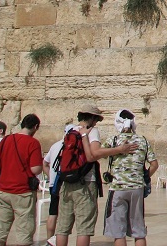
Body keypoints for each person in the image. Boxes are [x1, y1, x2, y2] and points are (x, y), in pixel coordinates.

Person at [55, 105, 138, 246]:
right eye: (96, 119)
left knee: (63, 226)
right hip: (85, 183)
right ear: (91, 118)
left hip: (67, 182)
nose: (96, 123)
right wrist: (119, 149)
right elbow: (93, 154)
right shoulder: (91, 132)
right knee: (84, 228)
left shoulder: (70, 131)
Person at [97, 110, 158, 246]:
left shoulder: (114, 140)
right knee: (138, 231)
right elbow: (154, 164)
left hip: (118, 187)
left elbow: (99, 153)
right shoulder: (143, 140)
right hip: (137, 188)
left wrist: (118, 150)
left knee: (118, 233)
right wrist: (144, 177)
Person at [0, 113, 42, 246]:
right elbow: (35, 169)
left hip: (3, 190)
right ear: (35, 126)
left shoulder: (6, 140)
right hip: (23, 192)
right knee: (24, 233)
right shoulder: (33, 143)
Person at [42, 125, 73, 246]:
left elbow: (45, 163)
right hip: (64, 183)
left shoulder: (55, 145)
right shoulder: (69, 145)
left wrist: (51, 177)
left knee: (52, 212)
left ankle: (49, 241)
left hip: (53, 183)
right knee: (63, 214)